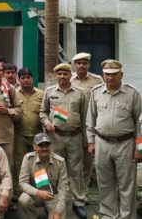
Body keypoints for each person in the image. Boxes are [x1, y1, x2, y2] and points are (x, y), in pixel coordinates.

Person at [87, 59, 142, 219]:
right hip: (101, 143)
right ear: (103, 75)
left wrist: (139, 149)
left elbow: (139, 125)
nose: (110, 78)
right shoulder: (96, 92)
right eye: (107, 74)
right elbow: (91, 119)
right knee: (104, 183)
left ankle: (127, 216)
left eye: (114, 74)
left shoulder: (132, 94)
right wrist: (90, 141)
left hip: (125, 144)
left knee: (127, 184)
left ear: (121, 75)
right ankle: (108, 215)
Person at [40, 63, 88, 219]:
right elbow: (43, 112)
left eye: (65, 74)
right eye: (59, 74)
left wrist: (87, 141)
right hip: (56, 137)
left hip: (75, 136)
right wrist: (46, 121)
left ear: (70, 75)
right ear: (56, 75)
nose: (62, 76)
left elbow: (85, 117)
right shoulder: (49, 92)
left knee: (75, 171)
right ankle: (51, 202)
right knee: (52, 169)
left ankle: (79, 202)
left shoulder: (80, 93)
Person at [70, 52, 103, 202]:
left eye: (85, 63)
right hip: (74, 127)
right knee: (74, 160)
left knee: (88, 161)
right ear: (74, 65)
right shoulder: (68, 80)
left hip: (91, 127)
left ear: (89, 65)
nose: (82, 66)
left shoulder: (97, 80)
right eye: (79, 63)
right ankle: (73, 190)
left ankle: (84, 191)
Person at [18, 133, 68, 219]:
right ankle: (33, 216)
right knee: (23, 199)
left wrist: (58, 211)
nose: (44, 148)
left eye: (47, 145)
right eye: (40, 145)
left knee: (58, 216)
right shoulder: (28, 159)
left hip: (53, 197)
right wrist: (38, 192)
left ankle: (51, 210)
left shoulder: (60, 161)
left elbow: (63, 188)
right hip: (36, 195)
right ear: (34, 147)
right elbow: (22, 183)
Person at [13, 67, 44, 199]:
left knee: (39, 165)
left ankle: (41, 193)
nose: (26, 80)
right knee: (19, 165)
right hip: (19, 135)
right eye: (22, 78)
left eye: (28, 77)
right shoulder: (14, 94)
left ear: (32, 78)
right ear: (19, 80)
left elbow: (46, 111)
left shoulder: (41, 94)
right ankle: (18, 192)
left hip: (37, 136)